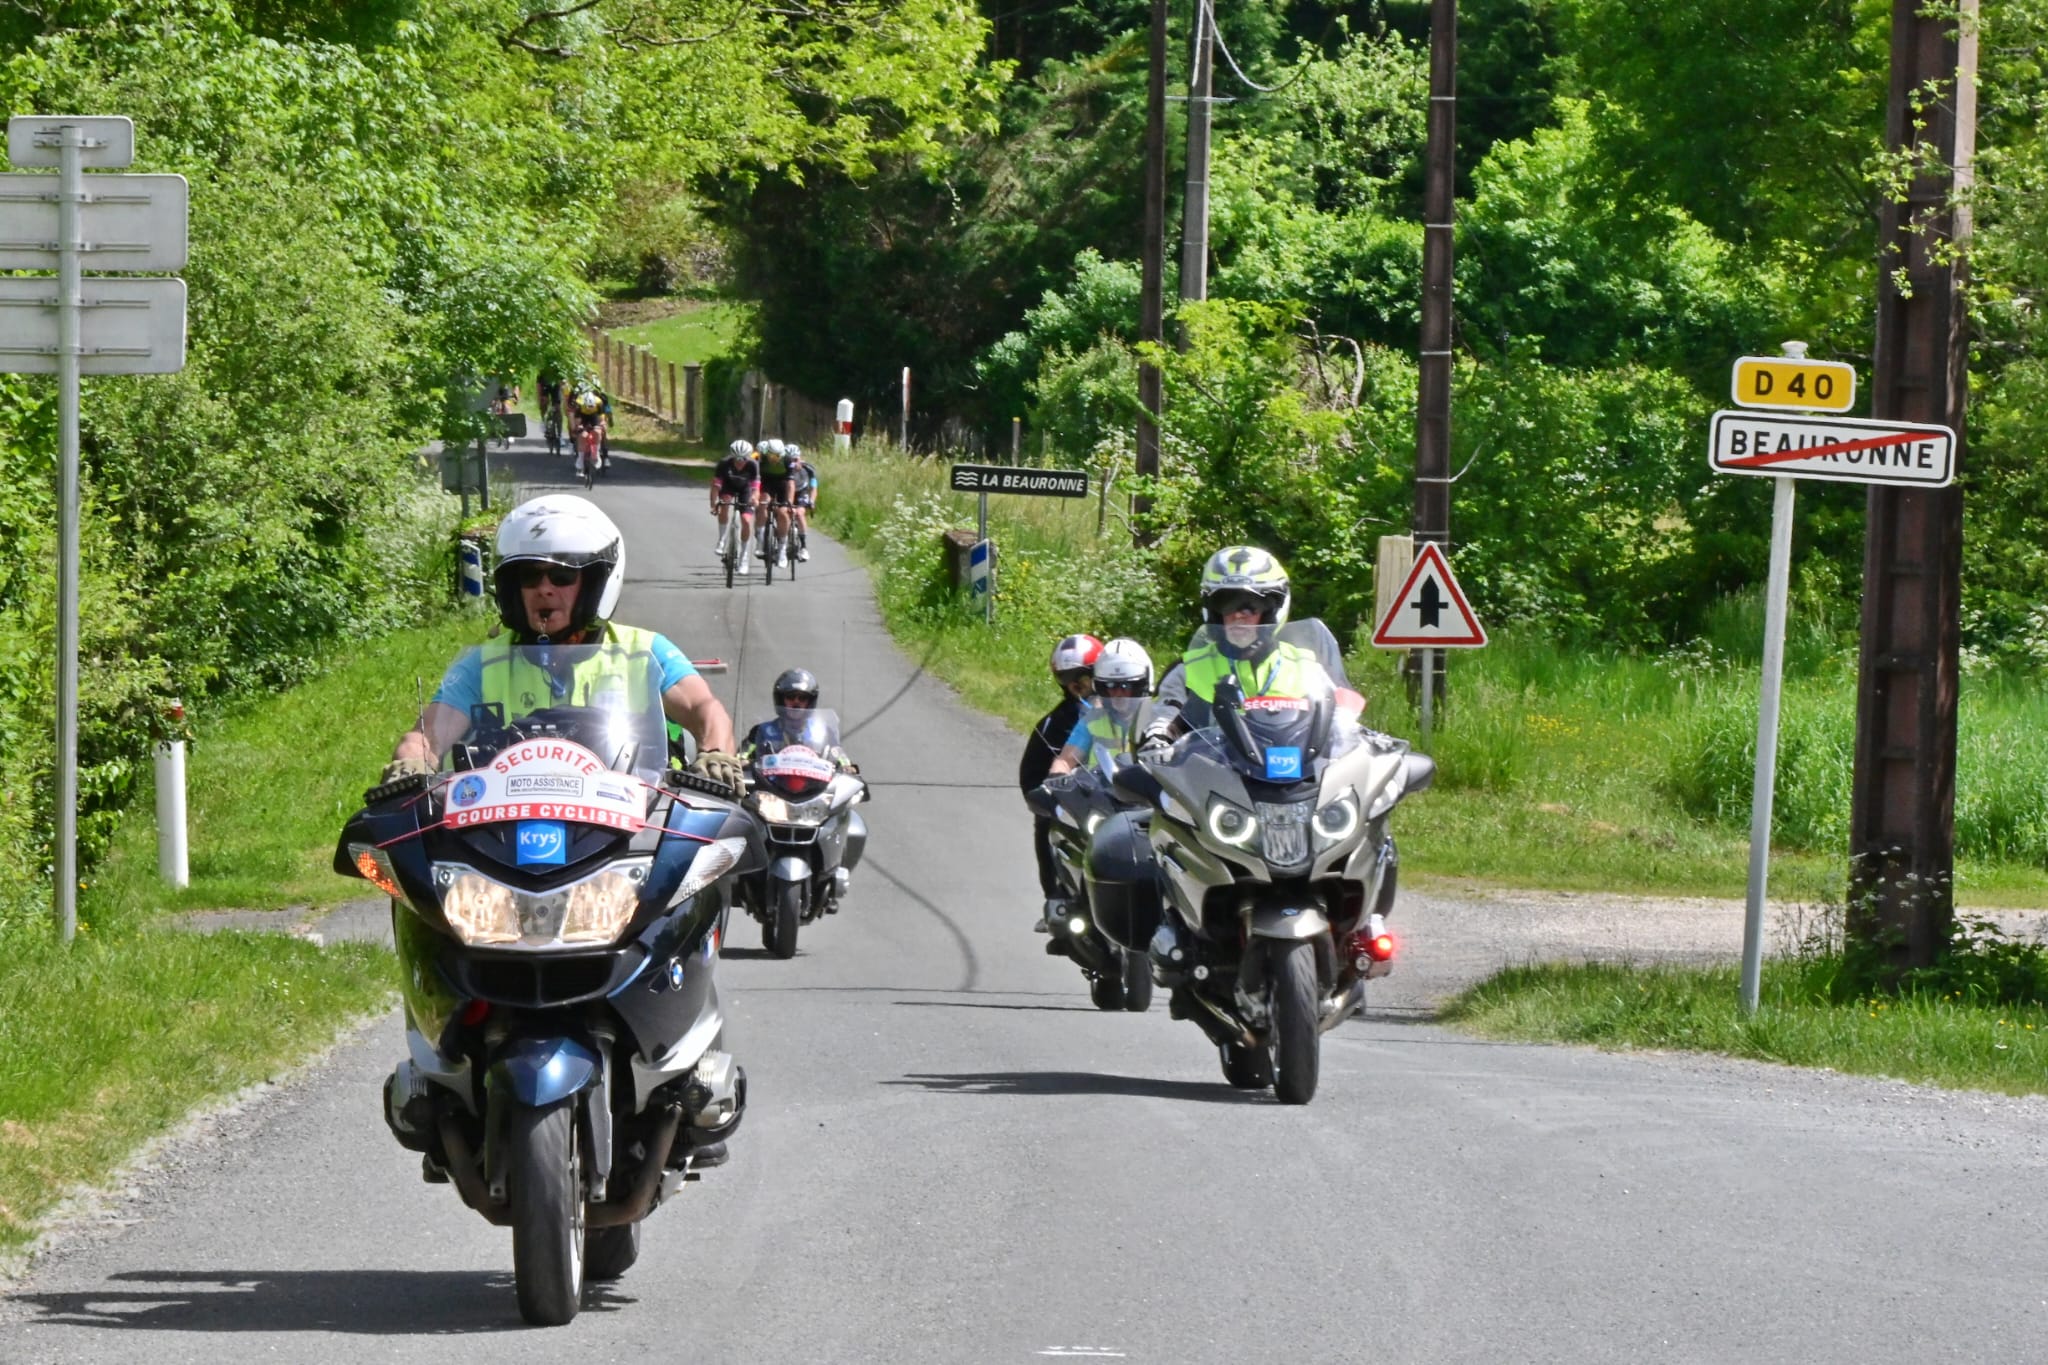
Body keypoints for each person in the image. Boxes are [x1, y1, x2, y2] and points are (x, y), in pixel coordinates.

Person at [381, 494, 742, 793]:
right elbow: (427, 735)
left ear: (595, 583)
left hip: (630, 826)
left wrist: (715, 753)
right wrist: (412, 762)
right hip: (502, 829)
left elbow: (704, 708)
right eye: (529, 577)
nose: (544, 589)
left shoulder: (645, 651)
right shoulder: (483, 663)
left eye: (562, 575)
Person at [1138, 545, 1349, 754]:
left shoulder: (1305, 666)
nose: (1238, 615)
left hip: (1295, 770)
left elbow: (1340, 718)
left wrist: (1358, 738)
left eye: (1250, 605)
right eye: (1227, 604)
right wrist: (1158, 737)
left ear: (1273, 609)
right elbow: (1164, 714)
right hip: (1212, 772)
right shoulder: (1188, 669)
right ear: (1213, 610)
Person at [1018, 633, 1102, 930]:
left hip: (1118, 793)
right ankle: (1057, 897)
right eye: (1070, 682)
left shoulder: (1131, 709)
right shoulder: (1053, 724)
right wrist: (1049, 794)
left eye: (1085, 679)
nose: (1078, 688)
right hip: (1077, 801)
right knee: (1045, 821)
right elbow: (1031, 776)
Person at [1048, 638, 1153, 777]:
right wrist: (1057, 777)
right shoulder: (1093, 719)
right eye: (1110, 685)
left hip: (1142, 790)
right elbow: (1065, 761)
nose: (1117, 693)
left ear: (1142, 686)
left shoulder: (1156, 722)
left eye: (1126, 686)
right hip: (1098, 790)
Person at [739, 668, 857, 773]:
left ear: (810, 702)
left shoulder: (824, 732)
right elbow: (740, 757)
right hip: (770, 786)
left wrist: (848, 767)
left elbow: (842, 759)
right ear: (781, 699)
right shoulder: (762, 731)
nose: (796, 702)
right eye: (790, 697)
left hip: (814, 786)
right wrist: (745, 762)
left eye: (802, 698)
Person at [712, 440, 760, 573]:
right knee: (724, 503)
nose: (740, 462)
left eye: (743, 458)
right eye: (737, 458)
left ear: (748, 457)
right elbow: (716, 486)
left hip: (745, 489)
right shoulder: (724, 463)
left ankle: (744, 557)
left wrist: (754, 498)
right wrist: (713, 504)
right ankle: (721, 540)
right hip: (728, 487)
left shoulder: (753, 465)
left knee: (746, 520)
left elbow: (756, 487)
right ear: (732, 456)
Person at [756, 438, 795, 567]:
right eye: (772, 456)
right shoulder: (760, 458)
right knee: (763, 504)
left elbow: (790, 483)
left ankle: (782, 549)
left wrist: (789, 501)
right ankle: (760, 539)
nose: (774, 459)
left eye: (778, 456)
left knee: (783, 513)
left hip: (783, 484)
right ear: (766, 453)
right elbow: (755, 478)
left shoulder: (787, 460)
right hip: (766, 483)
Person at [571, 384, 611, 473]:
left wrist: (602, 424)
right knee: (582, 435)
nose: (589, 409)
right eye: (588, 407)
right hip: (582, 416)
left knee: (597, 432)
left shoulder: (598, 402)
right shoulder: (579, 403)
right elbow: (577, 419)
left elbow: (601, 417)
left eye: (591, 407)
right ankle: (580, 458)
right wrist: (578, 427)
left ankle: (596, 453)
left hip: (594, 415)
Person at [785, 444, 814, 562]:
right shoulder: (782, 469)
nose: (793, 463)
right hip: (786, 492)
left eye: (795, 460)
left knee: (800, 514)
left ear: (800, 458)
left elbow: (814, 487)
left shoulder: (808, 469)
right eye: (789, 460)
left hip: (802, 492)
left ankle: (803, 547)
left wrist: (812, 500)